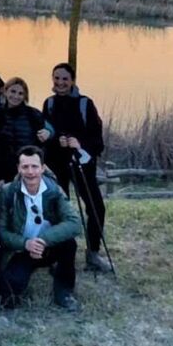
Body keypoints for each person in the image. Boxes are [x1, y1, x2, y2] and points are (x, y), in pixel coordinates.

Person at [40, 62, 111, 273]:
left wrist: (78, 143)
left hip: (82, 162)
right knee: (58, 210)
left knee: (96, 207)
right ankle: (57, 255)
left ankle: (93, 254)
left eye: (65, 78)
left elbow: (97, 138)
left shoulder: (85, 103)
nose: (60, 82)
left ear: (72, 81)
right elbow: (47, 133)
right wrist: (55, 140)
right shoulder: (49, 103)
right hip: (57, 164)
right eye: (56, 78)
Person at [0, 146, 81, 311]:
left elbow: (74, 222)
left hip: (48, 246)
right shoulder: (7, 193)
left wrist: (43, 240)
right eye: (25, 167)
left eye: (35, 166)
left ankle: (64, 291)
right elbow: (1, 231)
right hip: (21, 250)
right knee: (8, 298)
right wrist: (26, 243)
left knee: (69, 244)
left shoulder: (54, 190)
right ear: (18, 168)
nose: (30, 172)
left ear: (42, 168)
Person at [0, 77, 50, 183]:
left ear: (25, 96)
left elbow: (42, 143)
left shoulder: (33, 114)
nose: (16, 96)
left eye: (20, 93)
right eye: (13, 91)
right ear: (5, 92)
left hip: (29, 167)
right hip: (5, 169)